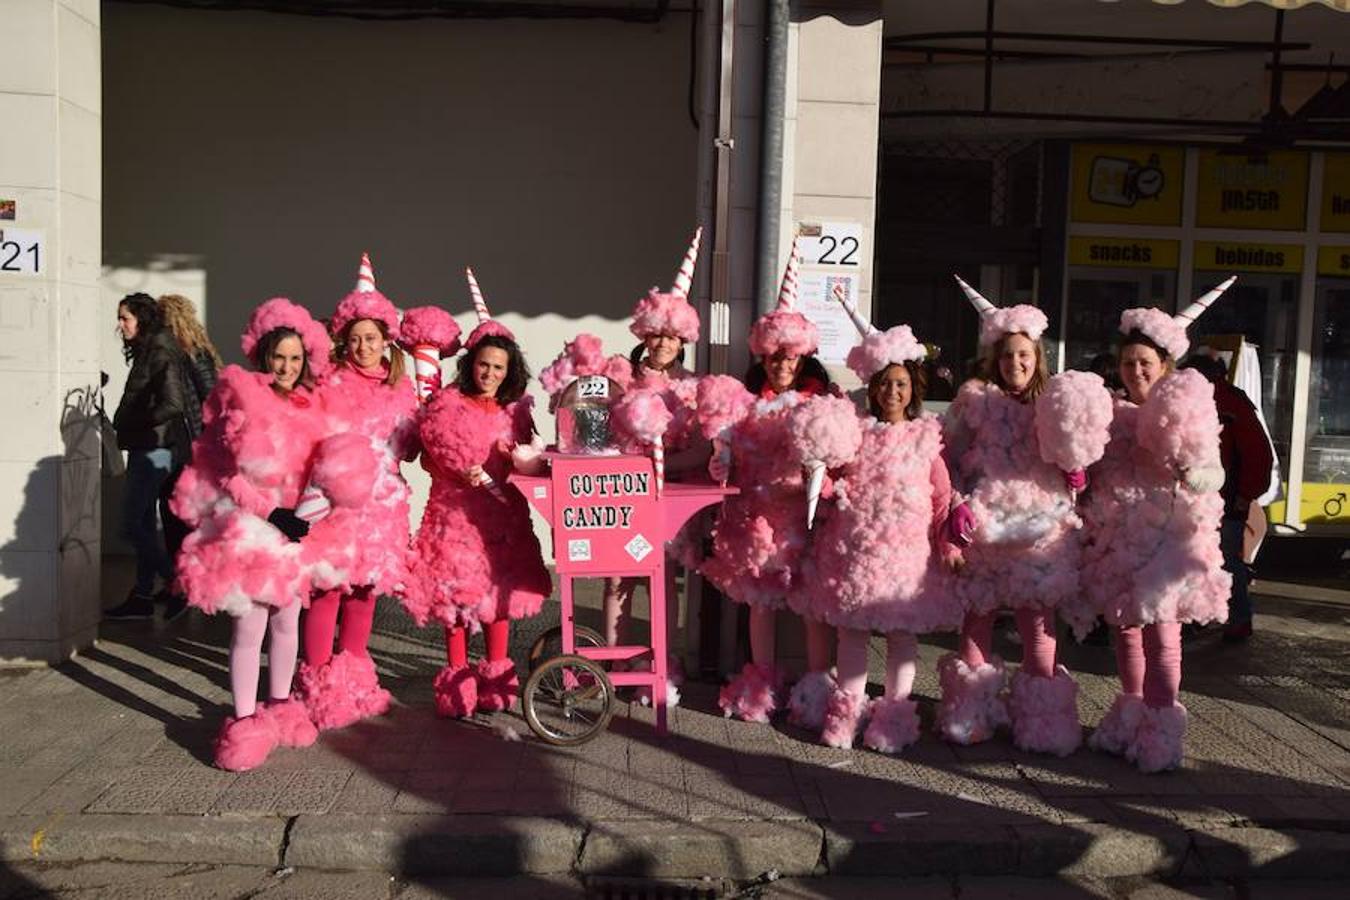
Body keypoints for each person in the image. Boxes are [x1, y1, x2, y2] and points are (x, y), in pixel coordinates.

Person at [936, 278, 1112, 757]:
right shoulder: (974, 402)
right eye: (1008, 355)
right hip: (987, 528)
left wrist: (1077, 473)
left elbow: (1077, 458)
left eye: (1025, 356)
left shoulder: (1053, 403)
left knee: (1038, 626)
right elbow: (946, 459)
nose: (1015, 363)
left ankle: (1042, 723)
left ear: (1037, 359)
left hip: (1041, 531)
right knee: (978, 621)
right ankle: (968, 716)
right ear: (995, 356)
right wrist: (957, 504)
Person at [171, 298, 344, 771]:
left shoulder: (312, 406)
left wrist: (317, 505)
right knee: (250, 628)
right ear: (264, 356)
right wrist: (274, 513)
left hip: (294, 533)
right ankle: (245, 719)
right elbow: (230, 476)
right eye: (279, 357)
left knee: (288, 623)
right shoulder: (242, 400)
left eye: (295, 358)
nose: (287, 366)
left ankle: (281, 706)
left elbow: (322, 467)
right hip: (252, 530)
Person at [789, 291, 964, 751]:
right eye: (885, 384)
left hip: (907, 556)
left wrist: (948, 544)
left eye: (901, 385)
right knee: (853, 633)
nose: (892, 393)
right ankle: (845, 715)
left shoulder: (926, 437)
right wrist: (816, 477)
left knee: (902, 637)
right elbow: (833, 485)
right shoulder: (857, 433)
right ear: (872, 387)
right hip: (857, 552)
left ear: (914, 390)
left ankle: (895, 719)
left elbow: (943, 496)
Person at [1083, 281, 1235, 773]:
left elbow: (1214, 471)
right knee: (1125, 629)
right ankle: (1130, 712)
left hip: (1167, 538)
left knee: (1164, 635)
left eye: (1145, 363)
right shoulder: (1114, 410)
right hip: (1121, 535)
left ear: (1165, 366)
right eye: (1128, 363)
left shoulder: (1186, 410)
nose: (1136, 371)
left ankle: (1161, 727)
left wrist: (1195, 474)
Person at [697, 239, 838, 726]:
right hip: (758, 517)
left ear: (803, 359)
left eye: (790, 357)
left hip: (806, 515)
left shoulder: (821, 401)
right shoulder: (744, 400)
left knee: (810, 604)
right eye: (775, 356)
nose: (782, 363)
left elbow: (838, 454)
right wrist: (722, 465)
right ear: (763, 356)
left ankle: (820, 686)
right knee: (760, 603)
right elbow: (728, 451)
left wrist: (827, 484)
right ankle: (760, 682)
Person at [297, 253, 442, 730]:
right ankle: (317, 682)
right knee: (327, 592)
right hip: (334, 505)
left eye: (371, 338)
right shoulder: (328, 383)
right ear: (345, 340)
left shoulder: (403, 389)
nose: (363, 346)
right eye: (355, 338)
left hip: (383, 506)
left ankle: (354, 674)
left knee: (364, 593)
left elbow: (413, 450)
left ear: (386, 341)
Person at [403, 270, 551, 718]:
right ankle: (457, 676)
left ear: (510, 372)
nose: (489, 373)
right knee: (456, 597)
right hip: (456, 517)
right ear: (471, 365)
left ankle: (497, 674)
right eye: (483, 365)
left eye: (498, 367)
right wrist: (450, 468)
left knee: (497, 595)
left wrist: (522, 460)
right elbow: (431, 453)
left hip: (502, 515)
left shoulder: (515, 412)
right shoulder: (446, 404)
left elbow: (527, 456)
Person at [603, 228, 709, 694]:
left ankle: (662, 663)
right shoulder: (620, 377)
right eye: (656, 336)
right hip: (621, 494)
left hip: (667, 498)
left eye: (671, 337)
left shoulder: (690, 387)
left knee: (662, 583)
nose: (663, 344)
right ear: (644, 335)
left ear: (682, 340)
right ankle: (610, 663)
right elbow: (596, 433)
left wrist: (668, 463)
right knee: (615, 579)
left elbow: (705, 448)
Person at [107, 293, 191, 620]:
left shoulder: (159, 350)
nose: (120, 325)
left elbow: (173, 403)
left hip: (155, 449)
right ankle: (142, 597)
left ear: (141, 319)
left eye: (125, 318)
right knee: (141, 523)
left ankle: (175, 581)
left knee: (130, 525)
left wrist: (131, 420)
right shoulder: (151, 348)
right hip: (152, 447)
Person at [1178, 354, 1274, 644]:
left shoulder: (1229, 404)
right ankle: (1205, 616)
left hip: (1227, 499)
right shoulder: (1208, 403)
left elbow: (1257, 454)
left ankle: (1238, 618)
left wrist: (1246, 495)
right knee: (1202, 558)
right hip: (1203, 498)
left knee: (1224, 560)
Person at [156, 293, 223, 617]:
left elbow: (211, 400)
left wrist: (205, 446)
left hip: (193, 448)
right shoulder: (181, 353)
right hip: (182, 447)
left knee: (181, 517)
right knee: (175, 514)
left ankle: (186, 585)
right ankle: (182, 582)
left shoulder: (193, 354)